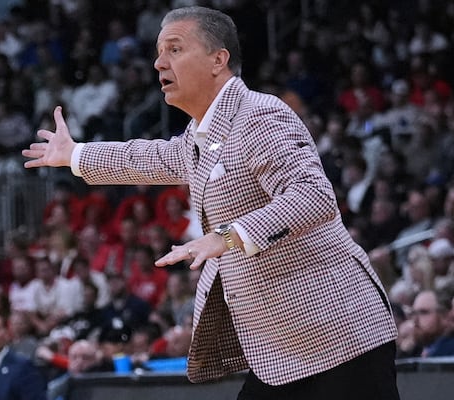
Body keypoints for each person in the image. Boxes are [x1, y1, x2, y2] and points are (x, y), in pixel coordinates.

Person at [23, 6, 400, 399]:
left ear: (218, 59)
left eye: (174, 49)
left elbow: (313, 196)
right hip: (286, 352)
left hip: (340, 338)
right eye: (158, 52)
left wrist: (228, 236)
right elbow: (150, 158)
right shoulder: (202, 136)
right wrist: (76, 155)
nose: (158, 62)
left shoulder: (259, 116)